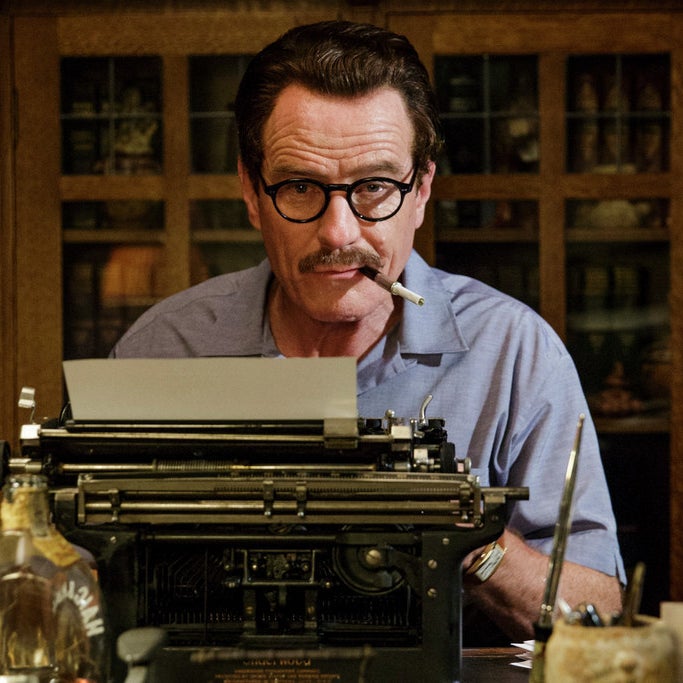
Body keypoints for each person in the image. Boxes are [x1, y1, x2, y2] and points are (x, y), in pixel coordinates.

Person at [110, 20, 624, 643]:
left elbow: (599, 617)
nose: (339, 233)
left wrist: (462, 534)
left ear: (422, 189)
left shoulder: (514, 352)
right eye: (300, 187)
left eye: (375, 187)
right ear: (250, 191)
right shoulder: (166, 346)